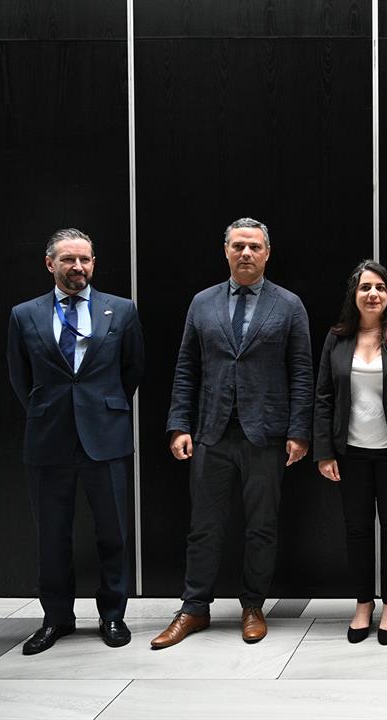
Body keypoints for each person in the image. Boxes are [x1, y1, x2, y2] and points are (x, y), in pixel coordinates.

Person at [151, 217, 314, 649]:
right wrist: (179, 425)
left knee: (262, 526)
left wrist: (300, 431)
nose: (246, 253)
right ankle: (193, 608)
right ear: (225, 251)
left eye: (254, 247)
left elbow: (302, 372)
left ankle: (253, 606)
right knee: (203, 526)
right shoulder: (201, 303)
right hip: (211, 432)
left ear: (267, 253)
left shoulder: (289, 305)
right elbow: (186, 368)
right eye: (239, 246)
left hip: (267, 435)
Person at [6, 228, 144, 654]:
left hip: (106, 437)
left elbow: (131, 371)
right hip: (49, 439)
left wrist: (101, 408)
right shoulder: (24, 314)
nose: (78, 267)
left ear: (93, 263)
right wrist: (49, 410)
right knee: (52, 534)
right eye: (68, 259)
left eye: (85, 259)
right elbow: (19, 377)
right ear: (51, 264)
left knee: (113, 533)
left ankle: (113, 616)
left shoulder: (120, 311)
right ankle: (56, 618)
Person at [314, 260, 387, 646]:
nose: (373, 294)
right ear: (355, 294)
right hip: (350, 452)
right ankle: (363, 604)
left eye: (379, 287)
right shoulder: (338, 336)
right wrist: (324, 451)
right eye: (365, 287)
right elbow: (323, 396)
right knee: (357, 531)